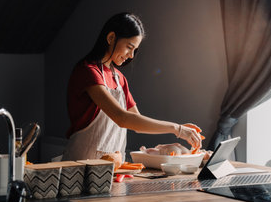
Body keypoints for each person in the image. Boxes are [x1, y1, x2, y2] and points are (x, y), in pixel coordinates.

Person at [62, 12, 202, 161]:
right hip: (81, 165)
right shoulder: (88, 72)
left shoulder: (119, 79)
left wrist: (177, 130)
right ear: (111, 38)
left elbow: (136, 122)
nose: (131, 56)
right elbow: (122, 118)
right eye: (129, 47)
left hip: (113, 167)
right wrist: (177, 129)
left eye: (135, 50)